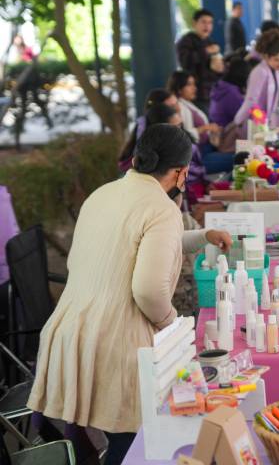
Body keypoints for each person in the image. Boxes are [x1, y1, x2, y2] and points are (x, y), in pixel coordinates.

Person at [27, 124, 233, 465]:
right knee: (133, 448)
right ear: (182, 174)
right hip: (116, 346)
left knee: (111, 444)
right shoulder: (162, 208)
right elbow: (149, 291)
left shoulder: (103, 194)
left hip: (71, 335)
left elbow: (133, 247)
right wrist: (174, 327)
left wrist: (203, 236)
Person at [168, 71, 232, 175]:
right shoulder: (180, 107)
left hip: (207, 149)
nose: (195, 88)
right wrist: (205, 128)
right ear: (179, 89)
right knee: (239, 158)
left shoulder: (188, 104)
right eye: (189, 84)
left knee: (240, 157)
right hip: (200, 156)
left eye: (194, 84)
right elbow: (184, 136)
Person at [234, 29, 279, 133]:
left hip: (265, 124)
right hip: (254, 124)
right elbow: (251, 100)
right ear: (266, 56)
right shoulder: (259, 72)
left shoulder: (276, 72)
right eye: (276, 59)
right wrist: (237, 121)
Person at [118, 89, 179, 172]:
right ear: (159, 111)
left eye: (177, 103)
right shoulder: (146, 131)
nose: (179, 109)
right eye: (172, 106)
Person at [176, 9, 223, 113]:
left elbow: (214, 69)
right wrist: (206, 51)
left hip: (211, 93)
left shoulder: (210, 41)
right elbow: (185, 62)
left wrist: (220, 69)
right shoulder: (186, 41)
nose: (207, 26)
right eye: (203, 22)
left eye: (210, 23)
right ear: (194, 23)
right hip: (195, 94)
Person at [209, 54, 259, 127]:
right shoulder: (231, 92)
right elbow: (244, 115)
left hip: (220, 129)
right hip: (225, 133)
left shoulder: (222, 86)